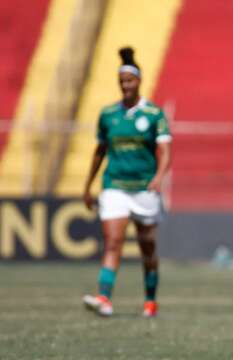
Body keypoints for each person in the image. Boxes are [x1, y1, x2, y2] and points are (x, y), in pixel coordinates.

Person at [82, 47, 172, 317]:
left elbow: (165, 151)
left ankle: (150, 301)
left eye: (129, 80)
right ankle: (104, 299)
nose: (125, 85)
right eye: (121, 81)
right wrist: (88, 185)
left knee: (147, 247)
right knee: (113, 242)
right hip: (115, 186)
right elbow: (99, 152)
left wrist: (158, 177)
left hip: (145, 188)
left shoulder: (154, 114)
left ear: (139, 81)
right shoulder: (108, 115)